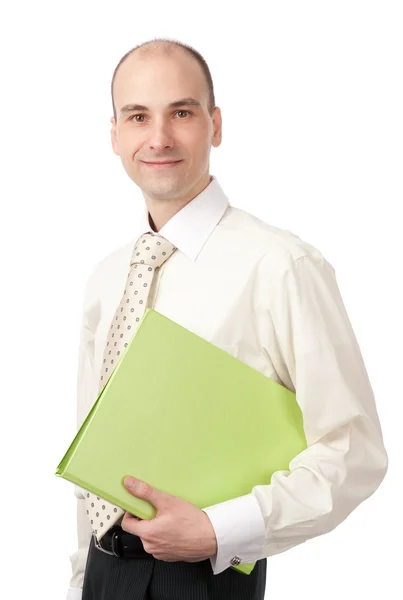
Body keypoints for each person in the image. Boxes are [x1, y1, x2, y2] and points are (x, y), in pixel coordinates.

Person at [65, 37, 389, 600]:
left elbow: (354, 451)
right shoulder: (108, 278)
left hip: (204, 577)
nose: (159, 137)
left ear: (215, 125)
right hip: (102, 574)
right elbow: (92, 457)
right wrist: (79, 582)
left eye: (182, 113)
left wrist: (219, 531)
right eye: (138, 116)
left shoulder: (281, 266)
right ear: (115, 135)